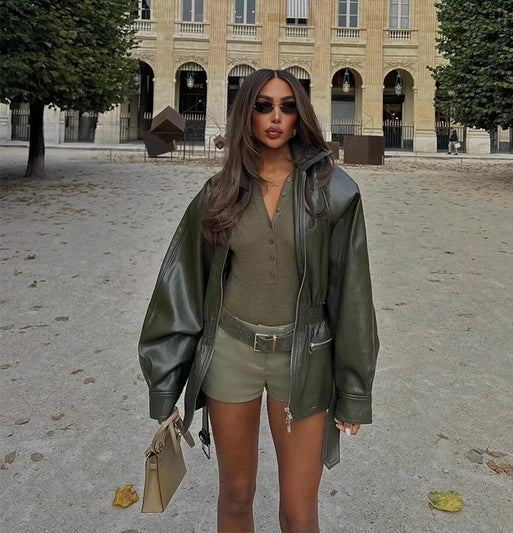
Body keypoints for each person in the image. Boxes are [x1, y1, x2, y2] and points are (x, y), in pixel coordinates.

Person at [138, 69, 379, 532]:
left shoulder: (335, 192)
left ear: (300, 116)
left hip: (303, 358)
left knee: (300, 511)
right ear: (246, 114)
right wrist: (165, 381)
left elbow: (353, 295)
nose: (275, 117)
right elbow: (181, 287)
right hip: (231, 354)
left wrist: (353, 389)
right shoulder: (219, 192)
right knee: (235, 493)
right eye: (263, 106)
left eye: (287, 106)